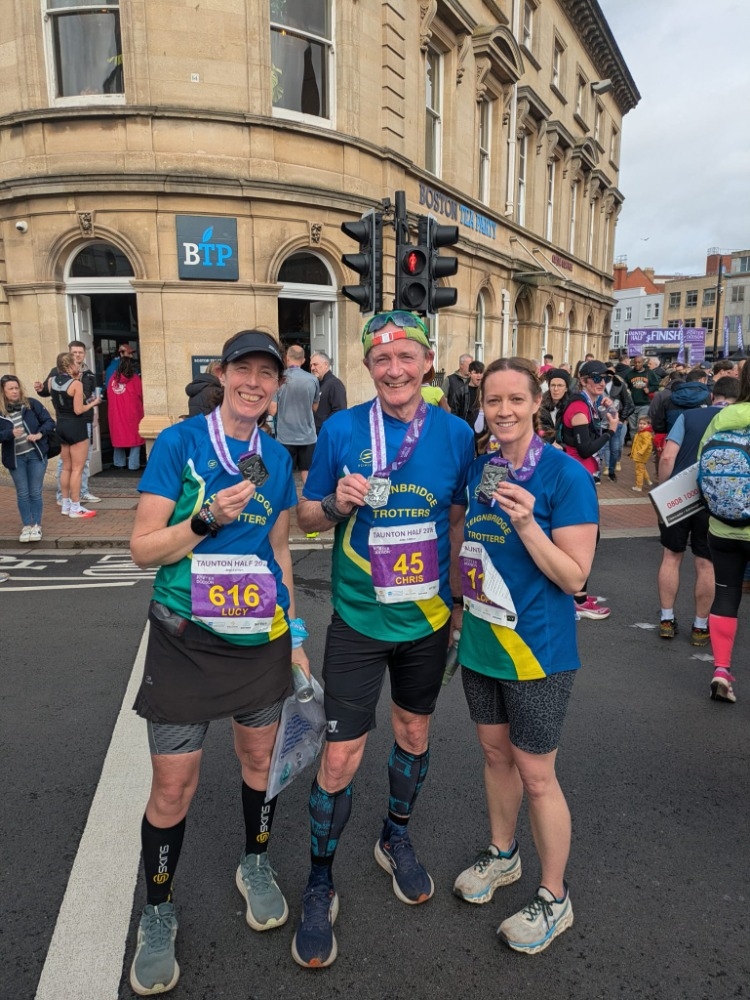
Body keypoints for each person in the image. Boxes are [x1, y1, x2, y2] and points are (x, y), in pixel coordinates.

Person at [127, 329, 310, 995]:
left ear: (277, 387)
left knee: (260, 762)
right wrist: (203, 519)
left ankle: (254, 862)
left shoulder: (274, 459)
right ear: (223, 374)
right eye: (244, 369)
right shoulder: (180, 443)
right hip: (185, 638)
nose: (254, 383)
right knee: (173, 787)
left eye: (267, 373)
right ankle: (158, 909)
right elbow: (142, 549)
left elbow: (279, 552)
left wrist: (295, 633)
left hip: (258, 636)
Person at [291, 310, 474, 969]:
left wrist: (459, 603)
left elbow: (456, 521)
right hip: (360, 621)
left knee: (414, 734)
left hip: (426, 620)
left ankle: (394, 836)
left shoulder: (456, 434)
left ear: (428, 362)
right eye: (382, 359)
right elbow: (306, 518)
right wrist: (335, 504)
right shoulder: (342, 428)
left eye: (406, 357)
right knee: (340, 759)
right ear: (368, 366)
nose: (395, 370)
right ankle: (319, 880)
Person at [452, 356, 598, 955]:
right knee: (495, 756)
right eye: (493, 401)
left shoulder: (565, 476)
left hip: (538, 651)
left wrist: (528, 524)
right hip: (483, 642)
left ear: (538, 403)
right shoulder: (481, 469)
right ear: (482, 407)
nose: (504, 411)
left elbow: (575, 577)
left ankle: (554, 896)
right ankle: (503, 854)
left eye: (516, 399)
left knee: (537, 775)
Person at [656, 376, 739, 643]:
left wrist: (663, 490)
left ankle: (666, 619)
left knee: (671, 556)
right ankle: (700, 626)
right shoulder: (738, 421)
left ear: (712, 395)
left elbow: (668, 456)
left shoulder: (688, 417)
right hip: (714, 498)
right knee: (706, 563)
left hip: (680, 495)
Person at [697, 360, 750, 704]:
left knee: (726, 594)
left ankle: (721, 670)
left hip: (722, 526)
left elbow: (700, 466)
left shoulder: (724, 415)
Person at [559, 359, 618, 619]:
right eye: (596, 378)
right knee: (586, 537)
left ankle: (577, 595)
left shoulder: (588, 403)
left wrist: (607, 406)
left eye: (605, 378)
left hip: (582, 475)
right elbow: (584, 448)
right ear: (583, 380)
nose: (602, 382)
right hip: (577, 478)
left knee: (586, 536)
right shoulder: (579, 406)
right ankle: (577, 599)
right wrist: (610, 432)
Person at [34, 340, 101, 504]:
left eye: (80, 352)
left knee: (83, 461)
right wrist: (40, 389)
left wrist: (94, 413)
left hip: (82, 420)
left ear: (84, 354)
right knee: (68, 464)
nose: (77, 355)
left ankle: (80, 493)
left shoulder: (89, 374)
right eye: (74, 352)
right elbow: (47, 391)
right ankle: (65, 498)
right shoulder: (56, 374)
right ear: (69, 356)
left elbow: (92, 394)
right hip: (72, 421)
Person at [0, 374, 56, 542]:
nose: (14, 391)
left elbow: (49, 422)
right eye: (10, 389)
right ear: (3, 391)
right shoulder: (1, 412)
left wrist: (39, 434)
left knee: (35, 492)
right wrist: (9, 433)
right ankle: (27, 526)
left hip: (35, 455)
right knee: (23, 492)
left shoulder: (31, 404)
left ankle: (36, 525)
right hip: (16, 458)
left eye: (16, 388)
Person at [48, 352, 101, 518]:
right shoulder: (76, 384)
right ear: (70, 365)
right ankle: (76, 507)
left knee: (66, 468)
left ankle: (65, 504)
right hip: (76, 426)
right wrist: (93, 403)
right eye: (76, 363)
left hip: (61, 424)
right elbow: (78, 410)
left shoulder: (51, 381)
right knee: (77, 469)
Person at [268, 344, 320, 484]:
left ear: (286, 358)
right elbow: (315, 407)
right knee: (307, 472)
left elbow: (272, 410)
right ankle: (307, 497)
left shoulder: (279, 380)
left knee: (284, 472)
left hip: (285, 436)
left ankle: (286, 498)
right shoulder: (313, 380)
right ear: (303, 360)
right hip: (307, 435)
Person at [107, 356, 145, 470]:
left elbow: (109, 394)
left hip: (116, 413)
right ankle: (133, 464)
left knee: (119, 436)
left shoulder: (113, 379)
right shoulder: (135, 379)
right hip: (133, 413)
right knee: (135, 438)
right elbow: (141, 394)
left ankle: (119, 463)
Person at [310, 351, 347, 432]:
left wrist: (325, 428)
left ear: (326, 365)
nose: (312, 368)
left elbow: (339, 412)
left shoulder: (335, 384)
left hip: (327, 433)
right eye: (311, 365)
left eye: (315, 364)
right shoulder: (317, 384)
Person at [537, 368, 571, 444]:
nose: (556, 389)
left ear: (566, 388)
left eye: (560, 385)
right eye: (553, 385)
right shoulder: (541, 406)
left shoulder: (571, 407)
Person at [630, 416, 654, 492]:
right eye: (640, 423)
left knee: (639, 470)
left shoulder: (645, 434)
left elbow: (646, 444)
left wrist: (641, 451)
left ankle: (639, 486)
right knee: (642, 468)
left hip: (641, 455)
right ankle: (648, 480)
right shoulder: (642, 433)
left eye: (644, 424)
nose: (641, 425)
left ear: (648, 425)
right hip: (640, 454)